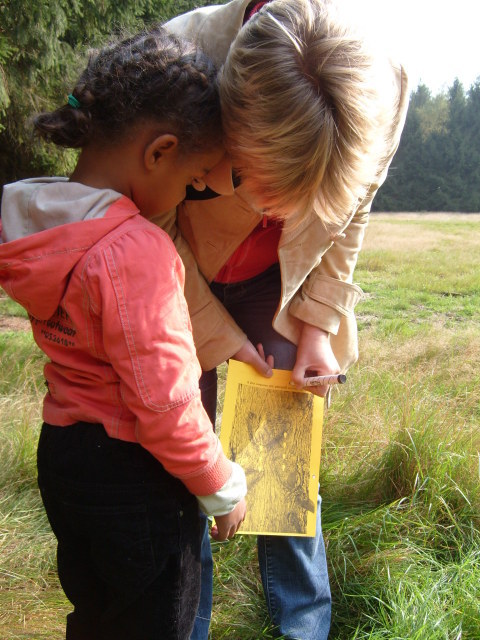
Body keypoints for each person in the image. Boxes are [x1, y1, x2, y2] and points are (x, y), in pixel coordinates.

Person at [155, 1, 409, 639]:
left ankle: (305, 627)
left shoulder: (386, 83)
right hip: (179, 274)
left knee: (285, 460)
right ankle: (185, 621)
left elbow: (352, 214)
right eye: (261, 182)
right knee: (182, 455)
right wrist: (220, 339)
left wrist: (317, 327)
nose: (275, 213)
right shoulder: (175, 60)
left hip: (281, 286)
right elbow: (148, 225)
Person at [0, 27, 248, 640]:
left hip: (63, 457)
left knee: (96, 613)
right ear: (159, 151)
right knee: (154, 622)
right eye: (193, 177)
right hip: (136, 476)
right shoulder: (137, 248)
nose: (190, 193)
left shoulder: (28, 214)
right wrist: (219, 483)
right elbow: (163, 400)